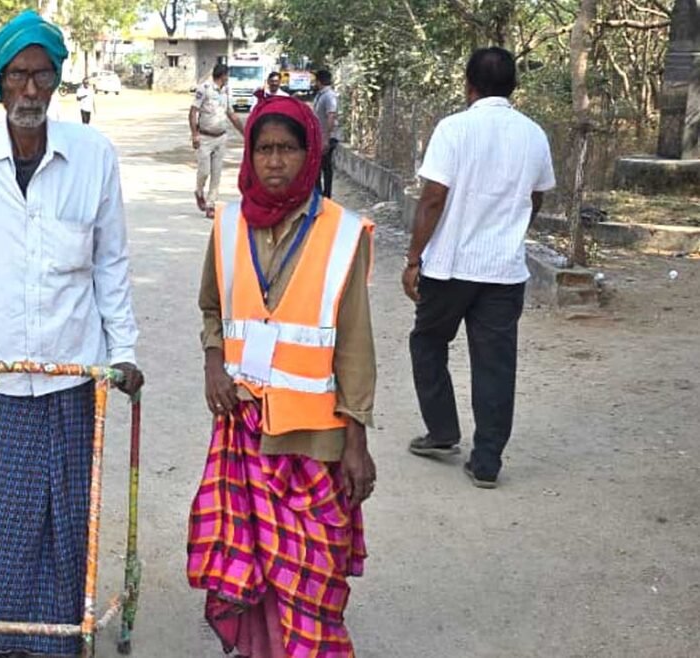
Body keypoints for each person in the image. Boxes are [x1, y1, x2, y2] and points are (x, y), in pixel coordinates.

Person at [0, 10, 144, 656]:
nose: (29, 90)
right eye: (17, 76)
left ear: (56, 81)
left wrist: (124, 353)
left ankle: (59, 637)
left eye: (41, 76)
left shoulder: (93, 155)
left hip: (75, 371)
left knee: (68, 513)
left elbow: (110, 262)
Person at [189, 94, 375, 658]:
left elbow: (355, 342)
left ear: (310, 154)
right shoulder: (226, 224)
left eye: (288, 149)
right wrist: (213, 361)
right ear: (249, 154)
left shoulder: (343, 234)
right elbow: (211, 307)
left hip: (314, 436)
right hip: (243, 427)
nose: (275, 161)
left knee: (312, 572)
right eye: (264, 149)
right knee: (250, 561)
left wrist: (356, 441)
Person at [403, 47, 555, 489]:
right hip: (503, 271)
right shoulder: (534, 135)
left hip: (449, 266)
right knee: (495, 364)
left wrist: (414, 259)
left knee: (428, 342)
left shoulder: (453, 129)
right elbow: (538, 195)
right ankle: (486, 461)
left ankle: (443, 431)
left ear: (468, 85)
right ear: (513, 87)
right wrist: (512, 229)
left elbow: (433, 198)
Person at [191, 63, 245, 219]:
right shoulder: (204, 89)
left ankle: (211, 204)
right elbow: (193, 112)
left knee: (217, 173)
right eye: (227, 75)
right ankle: (199, 191)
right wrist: (195, 134)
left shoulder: (226, 91)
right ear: (223, 75)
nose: (228, 78)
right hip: (205, 137)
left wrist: (245, 133)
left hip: (220, 137)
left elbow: (231, 114)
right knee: (204, 171)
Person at [313, 69, 341, 198]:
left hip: (326, 137)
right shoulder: (321, 95)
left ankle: (326, 194)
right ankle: (320, 193)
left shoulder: (329, 95)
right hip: (321, 136)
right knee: (319, 166)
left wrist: (326, 139)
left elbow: (331, 116)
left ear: (319, 81)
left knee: (324, 166)